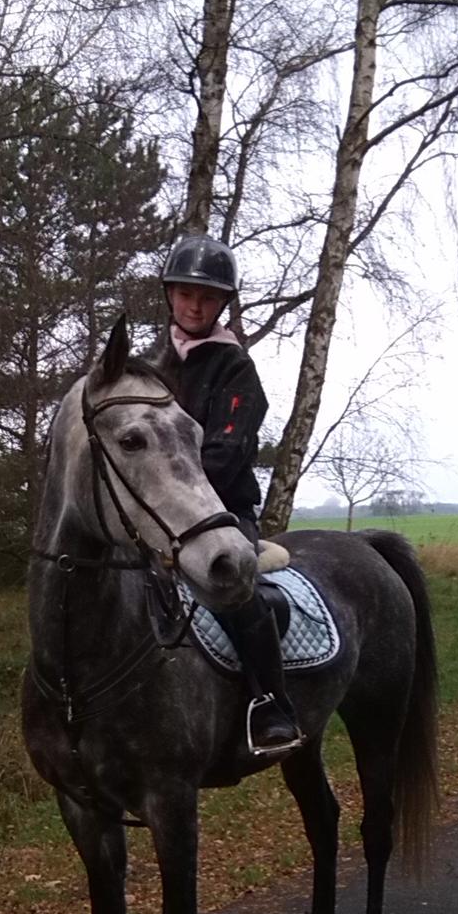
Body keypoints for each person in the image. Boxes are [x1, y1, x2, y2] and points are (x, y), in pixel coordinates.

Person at [157, 233, 303, 755]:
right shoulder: (151, 367)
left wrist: (176, 504)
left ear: (223, 304)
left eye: (208, 296)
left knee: (230, 586)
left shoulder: (237, 369)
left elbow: (225, 453)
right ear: (170, 295)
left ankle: (272, 704)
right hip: (154, 513)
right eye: (186, 293)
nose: (195, 305)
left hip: (220, 509)